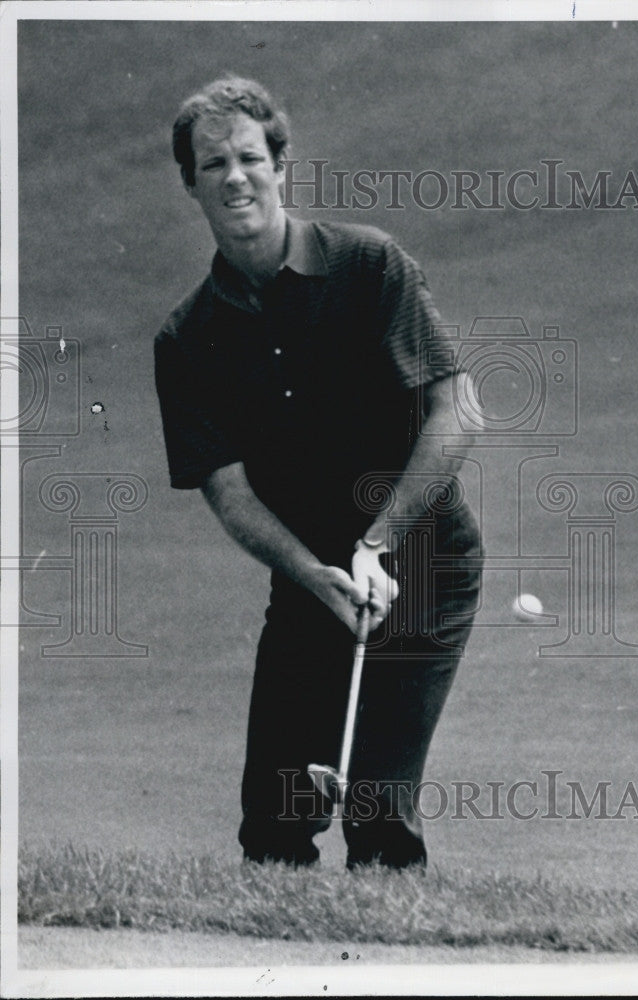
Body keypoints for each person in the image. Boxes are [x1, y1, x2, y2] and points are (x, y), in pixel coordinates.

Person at [154, 76, 481, 870]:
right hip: (310, 576)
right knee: (273, 826)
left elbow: (458, 413)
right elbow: (229, 493)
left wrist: (377, 542)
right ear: (191, 184)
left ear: (280, 164)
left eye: (248, 157)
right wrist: (313, 573)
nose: (234, 177)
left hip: (422, 561)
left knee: (376, 821)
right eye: (212, 165)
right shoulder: (188, 338)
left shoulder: (366, 264)